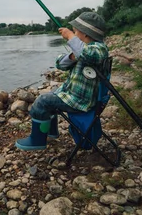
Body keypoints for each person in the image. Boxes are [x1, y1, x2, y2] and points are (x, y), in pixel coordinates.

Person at [15, 11, 109, 150]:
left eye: (75, 32)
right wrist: (71, 57)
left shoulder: (98, 49)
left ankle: (37, 140)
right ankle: (51, 132)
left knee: (42, 101)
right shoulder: (82, 51)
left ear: (85, 34)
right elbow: (60, 64)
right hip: (77, 96)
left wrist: (70, 37)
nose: (73, 34)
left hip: (80, 100)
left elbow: (88, 55)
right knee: (53, 93)